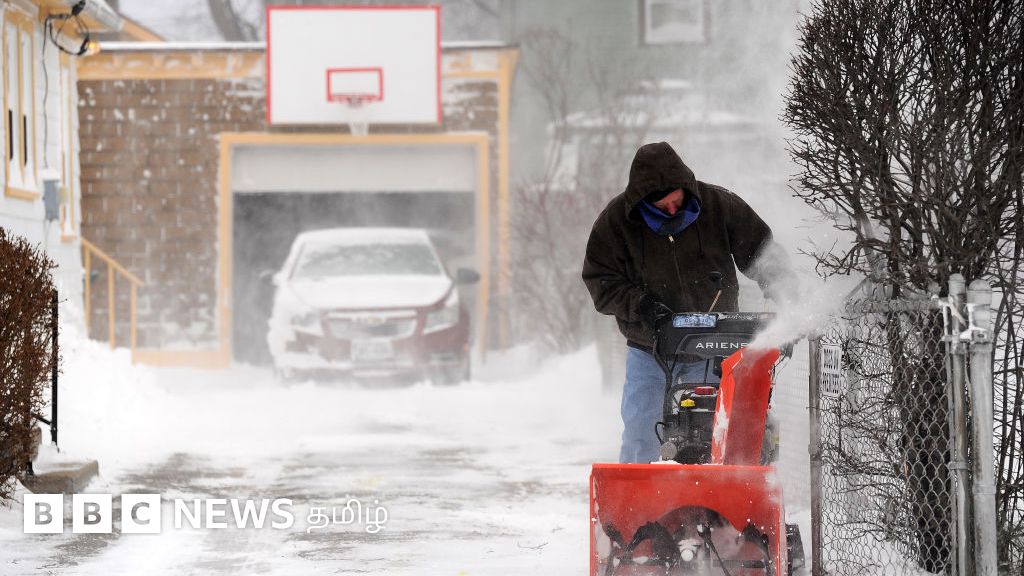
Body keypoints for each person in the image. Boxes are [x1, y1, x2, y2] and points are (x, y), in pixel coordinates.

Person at [582, 141, 788, 464]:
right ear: (642, 202)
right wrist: (642, 306)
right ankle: (636, 491)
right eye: (662, 207)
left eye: (677, 202)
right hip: (648, 348)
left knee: (707, 432)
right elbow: (600, 280)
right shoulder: (615, 224)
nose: (672, 211)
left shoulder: (719, 206)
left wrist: (783, 289)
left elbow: (762, 253)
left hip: (711, 346)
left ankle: (707, 494)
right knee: (641, 431)